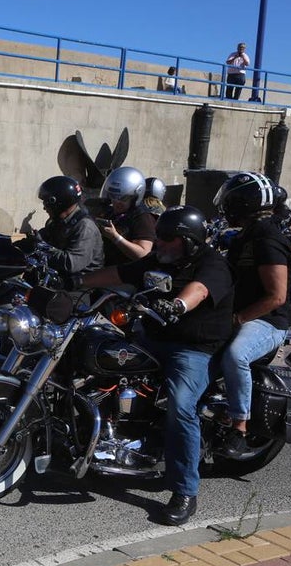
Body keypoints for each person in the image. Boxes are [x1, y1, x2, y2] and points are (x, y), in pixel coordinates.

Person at [72, 206, 233, 526]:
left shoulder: (213, 264)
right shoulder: (160, 258)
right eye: (158, 235)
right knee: (94, 359)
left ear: (189, 241)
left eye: (168, 237)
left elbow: (199, 290)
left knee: (181, 406)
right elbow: (119, 273)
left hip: (192, 348)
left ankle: (184, 491)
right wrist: (75, 280)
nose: (159, 241)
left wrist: (178, 305)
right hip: (151, 337)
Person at [213, 172, 291, 456]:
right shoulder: (244, 236)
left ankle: (239, 427)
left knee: (236, 355)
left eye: (230, 202)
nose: (226, 207)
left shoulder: (267, 239)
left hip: (267, 321)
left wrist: (237, 319)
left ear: (244, 203)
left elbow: (277, 297)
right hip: (240, 313)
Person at [29, 175, 104, 279]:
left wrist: (43, 247)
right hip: (59, 277)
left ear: (60, 203)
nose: (44, 208)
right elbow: (42, 238)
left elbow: (71, 263)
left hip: (82, 282)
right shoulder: (58, 221)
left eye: (47, 202)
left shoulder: (85, 227)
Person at [98, 166, 156, 266]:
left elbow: (143, 254)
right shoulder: (111, 213)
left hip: (129, 271)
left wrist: (115, 237)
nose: (116, 202)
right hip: (107, 266)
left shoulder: (142, 218)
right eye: (113, 196)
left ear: (135, 197)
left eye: (123, 198)